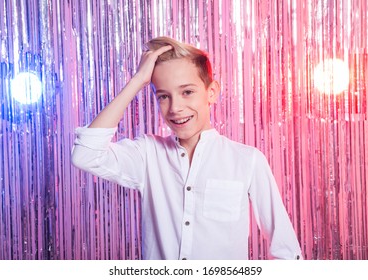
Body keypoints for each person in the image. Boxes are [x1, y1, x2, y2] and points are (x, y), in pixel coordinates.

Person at [71, 36, 302, 260]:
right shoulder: (148, 155)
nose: (175, 108)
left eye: (187, 92)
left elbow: (287, 252)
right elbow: (85, 155)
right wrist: (137, 81)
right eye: (163, 96)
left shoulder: (247, 160)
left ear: (211, 92)